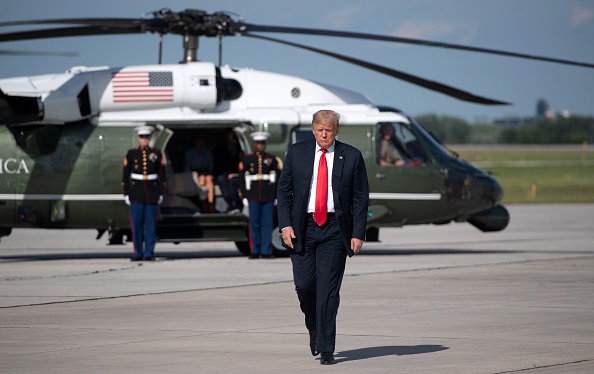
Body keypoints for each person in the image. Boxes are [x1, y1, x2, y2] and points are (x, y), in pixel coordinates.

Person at [277, 110, 369, 365]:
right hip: (302, 228)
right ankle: (313, 326)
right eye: (320, 129)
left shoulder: (351, 156)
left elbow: (361, 198)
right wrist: (285, 225)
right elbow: (284, 192)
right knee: (305, 286)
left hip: (334, 229)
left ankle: (326, 348)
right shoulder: (297, 152)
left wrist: (357, 233)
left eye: (329, 129)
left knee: (328, 292)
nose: (324, 134)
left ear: (336, 130)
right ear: (313, 129)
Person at [122, 125, 167, 261]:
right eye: (142, 137)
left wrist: (161, 192)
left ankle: (149, 252)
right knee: (136, 225)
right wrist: (126, 193)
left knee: (150, 225)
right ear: (138, 138)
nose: (144, 140)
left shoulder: (156, 153)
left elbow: (162, 174)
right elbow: (125, 175)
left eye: (146, 137)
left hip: (152, 192)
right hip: (136, 193)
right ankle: (138, 253)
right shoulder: (131, 154)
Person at [238, 131, 282, 259]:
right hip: (252, 195)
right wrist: (244, 195)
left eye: (263, 143)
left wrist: (276, 195)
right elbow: (241, 179)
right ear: (254, 144)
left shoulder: (272, 159)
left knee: (267, 224)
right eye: (258, 143)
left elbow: (278, 178)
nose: (261, 145)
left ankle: (266, 250)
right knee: (254, 224)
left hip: (268, 195)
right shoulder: (247, 159)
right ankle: (255, 250)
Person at [184, 133, 215, 213]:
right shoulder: (189, 153)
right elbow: (187, 168)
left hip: (206, 172)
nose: (202, 141)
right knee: (202, 179)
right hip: (194, 173)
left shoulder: (207, 153)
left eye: (203, 139)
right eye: (201, 139)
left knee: (208, 179)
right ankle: (204, 208)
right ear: (196, 140)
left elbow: (210, 167)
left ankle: (210, 207)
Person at [214, 130, 244, 213]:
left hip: (237, 174)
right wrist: (227, 173)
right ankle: (229, 203)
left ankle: (236, 205)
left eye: (233, 138)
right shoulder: (220, 150)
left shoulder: (240, 149)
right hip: (223, 173)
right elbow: (218, 165)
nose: (231, 140)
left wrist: (236, 173)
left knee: (233, 182)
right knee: (222, 179)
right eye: (229, 138)